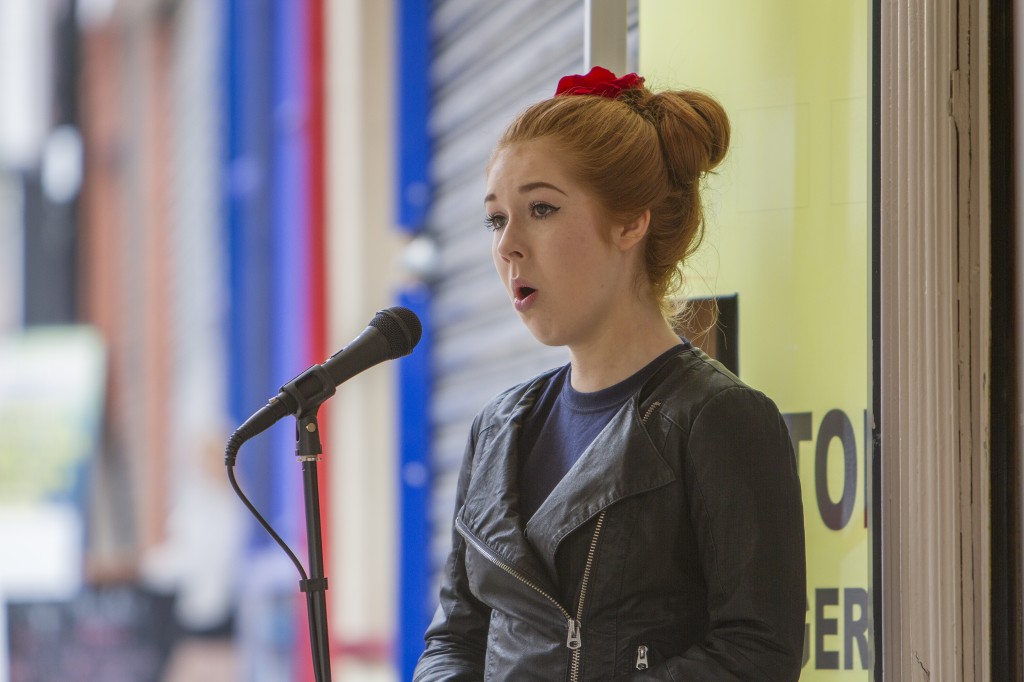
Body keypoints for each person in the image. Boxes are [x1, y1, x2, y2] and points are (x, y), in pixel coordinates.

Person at [414, 66, 806, 681]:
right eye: (496, 219)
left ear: (631, 222)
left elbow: (757, 652)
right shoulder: (496, 427)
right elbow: (457, 637)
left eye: (540, 208)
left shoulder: (718, 416)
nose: (508, 245)